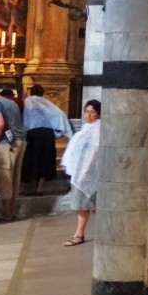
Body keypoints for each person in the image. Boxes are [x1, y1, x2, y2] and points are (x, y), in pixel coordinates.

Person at [61, 100, 101, 245]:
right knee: (83, 205)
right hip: (79, 172)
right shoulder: (86, 128)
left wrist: (86, 170)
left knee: (84, 205)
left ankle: (79, 234)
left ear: (98, 114)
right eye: (87, 111)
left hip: (88, 174)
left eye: (93, 112)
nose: (89, 115)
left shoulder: (97, 129)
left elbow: (94, 151)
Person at [21, 84, 73, 195]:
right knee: (45, 160)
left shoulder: (28, 100)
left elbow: (26, 117)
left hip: (34, 133)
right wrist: (57, 131)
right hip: (48, 134)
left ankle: (32, 189)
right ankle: (39, 189)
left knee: (33, 160)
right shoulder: (46, 103)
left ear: (31, 92)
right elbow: (60, 114)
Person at [0, 88, 25, 222]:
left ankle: (6, 214)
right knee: (14, 177)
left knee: (4, 177)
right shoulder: (11, 102)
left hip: (6, 143)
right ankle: (10, 211)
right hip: (20, 141)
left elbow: (0, 123)